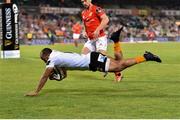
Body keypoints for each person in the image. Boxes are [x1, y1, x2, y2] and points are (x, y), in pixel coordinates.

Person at [25, 31, 162, 96]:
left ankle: (145, 57)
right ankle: (116, 41)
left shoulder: (52, 60)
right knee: (119, 62)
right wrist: (57, 76)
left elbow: (44, 76)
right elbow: (64, 74)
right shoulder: (57, 55)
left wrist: (36, 91)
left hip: (92, 61)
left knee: (119, 66)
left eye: (43, 59)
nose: (44, 62)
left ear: (45, 55)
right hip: (91, 58)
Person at [80, 0, 123, 81]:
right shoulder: (83, 12)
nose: (84, 3)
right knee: (83, 57)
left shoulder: (97, 9)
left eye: (85, 1)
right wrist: (84, 31)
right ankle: (102, 67)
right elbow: (84, 24)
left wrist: (97, 30)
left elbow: (106, 19)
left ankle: (118, 72)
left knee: (101, 58)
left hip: (100, 38)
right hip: (91, 39)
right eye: (82, 2)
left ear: (90, 0)